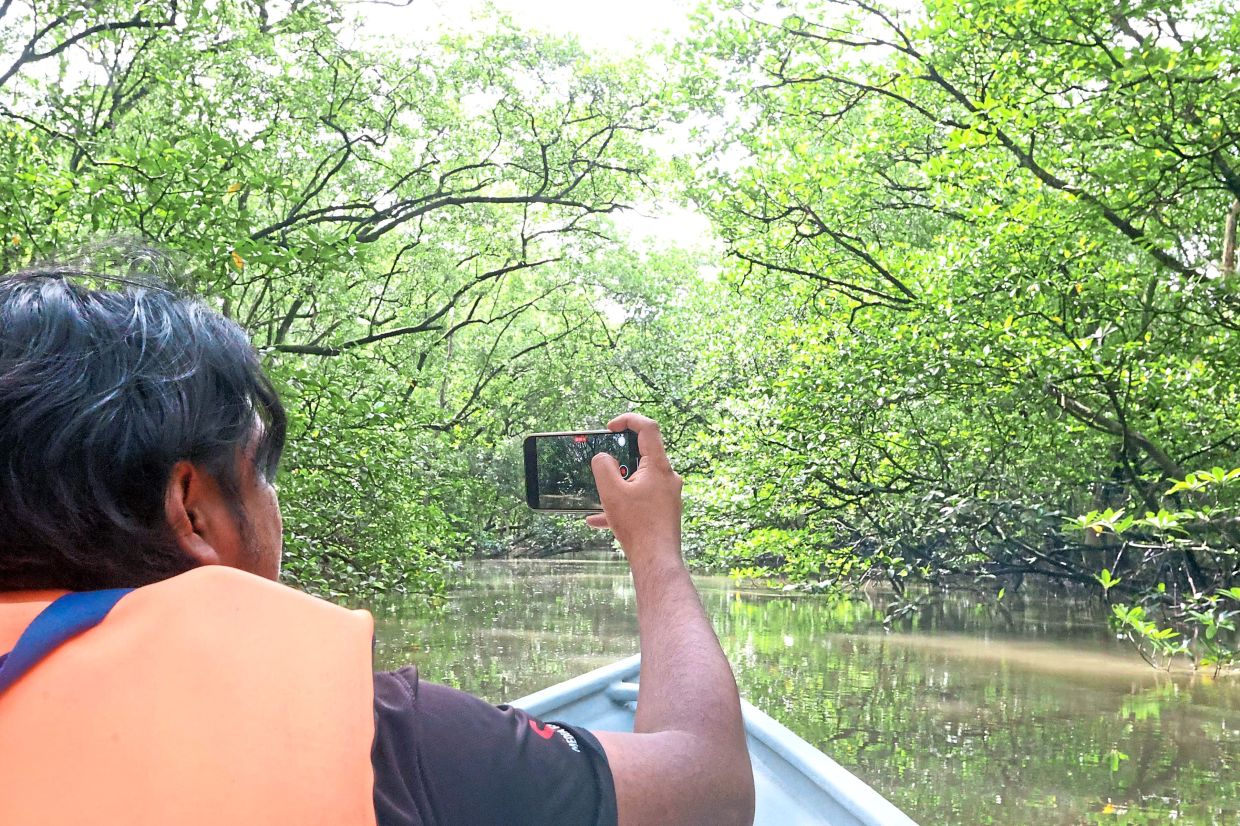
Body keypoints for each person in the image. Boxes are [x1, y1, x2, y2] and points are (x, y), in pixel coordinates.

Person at [0, 260, 755, 826]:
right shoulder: (389, 738)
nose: (274, 500)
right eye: (263, 469)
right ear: (192, 510)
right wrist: (654, 546)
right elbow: (710, 790)